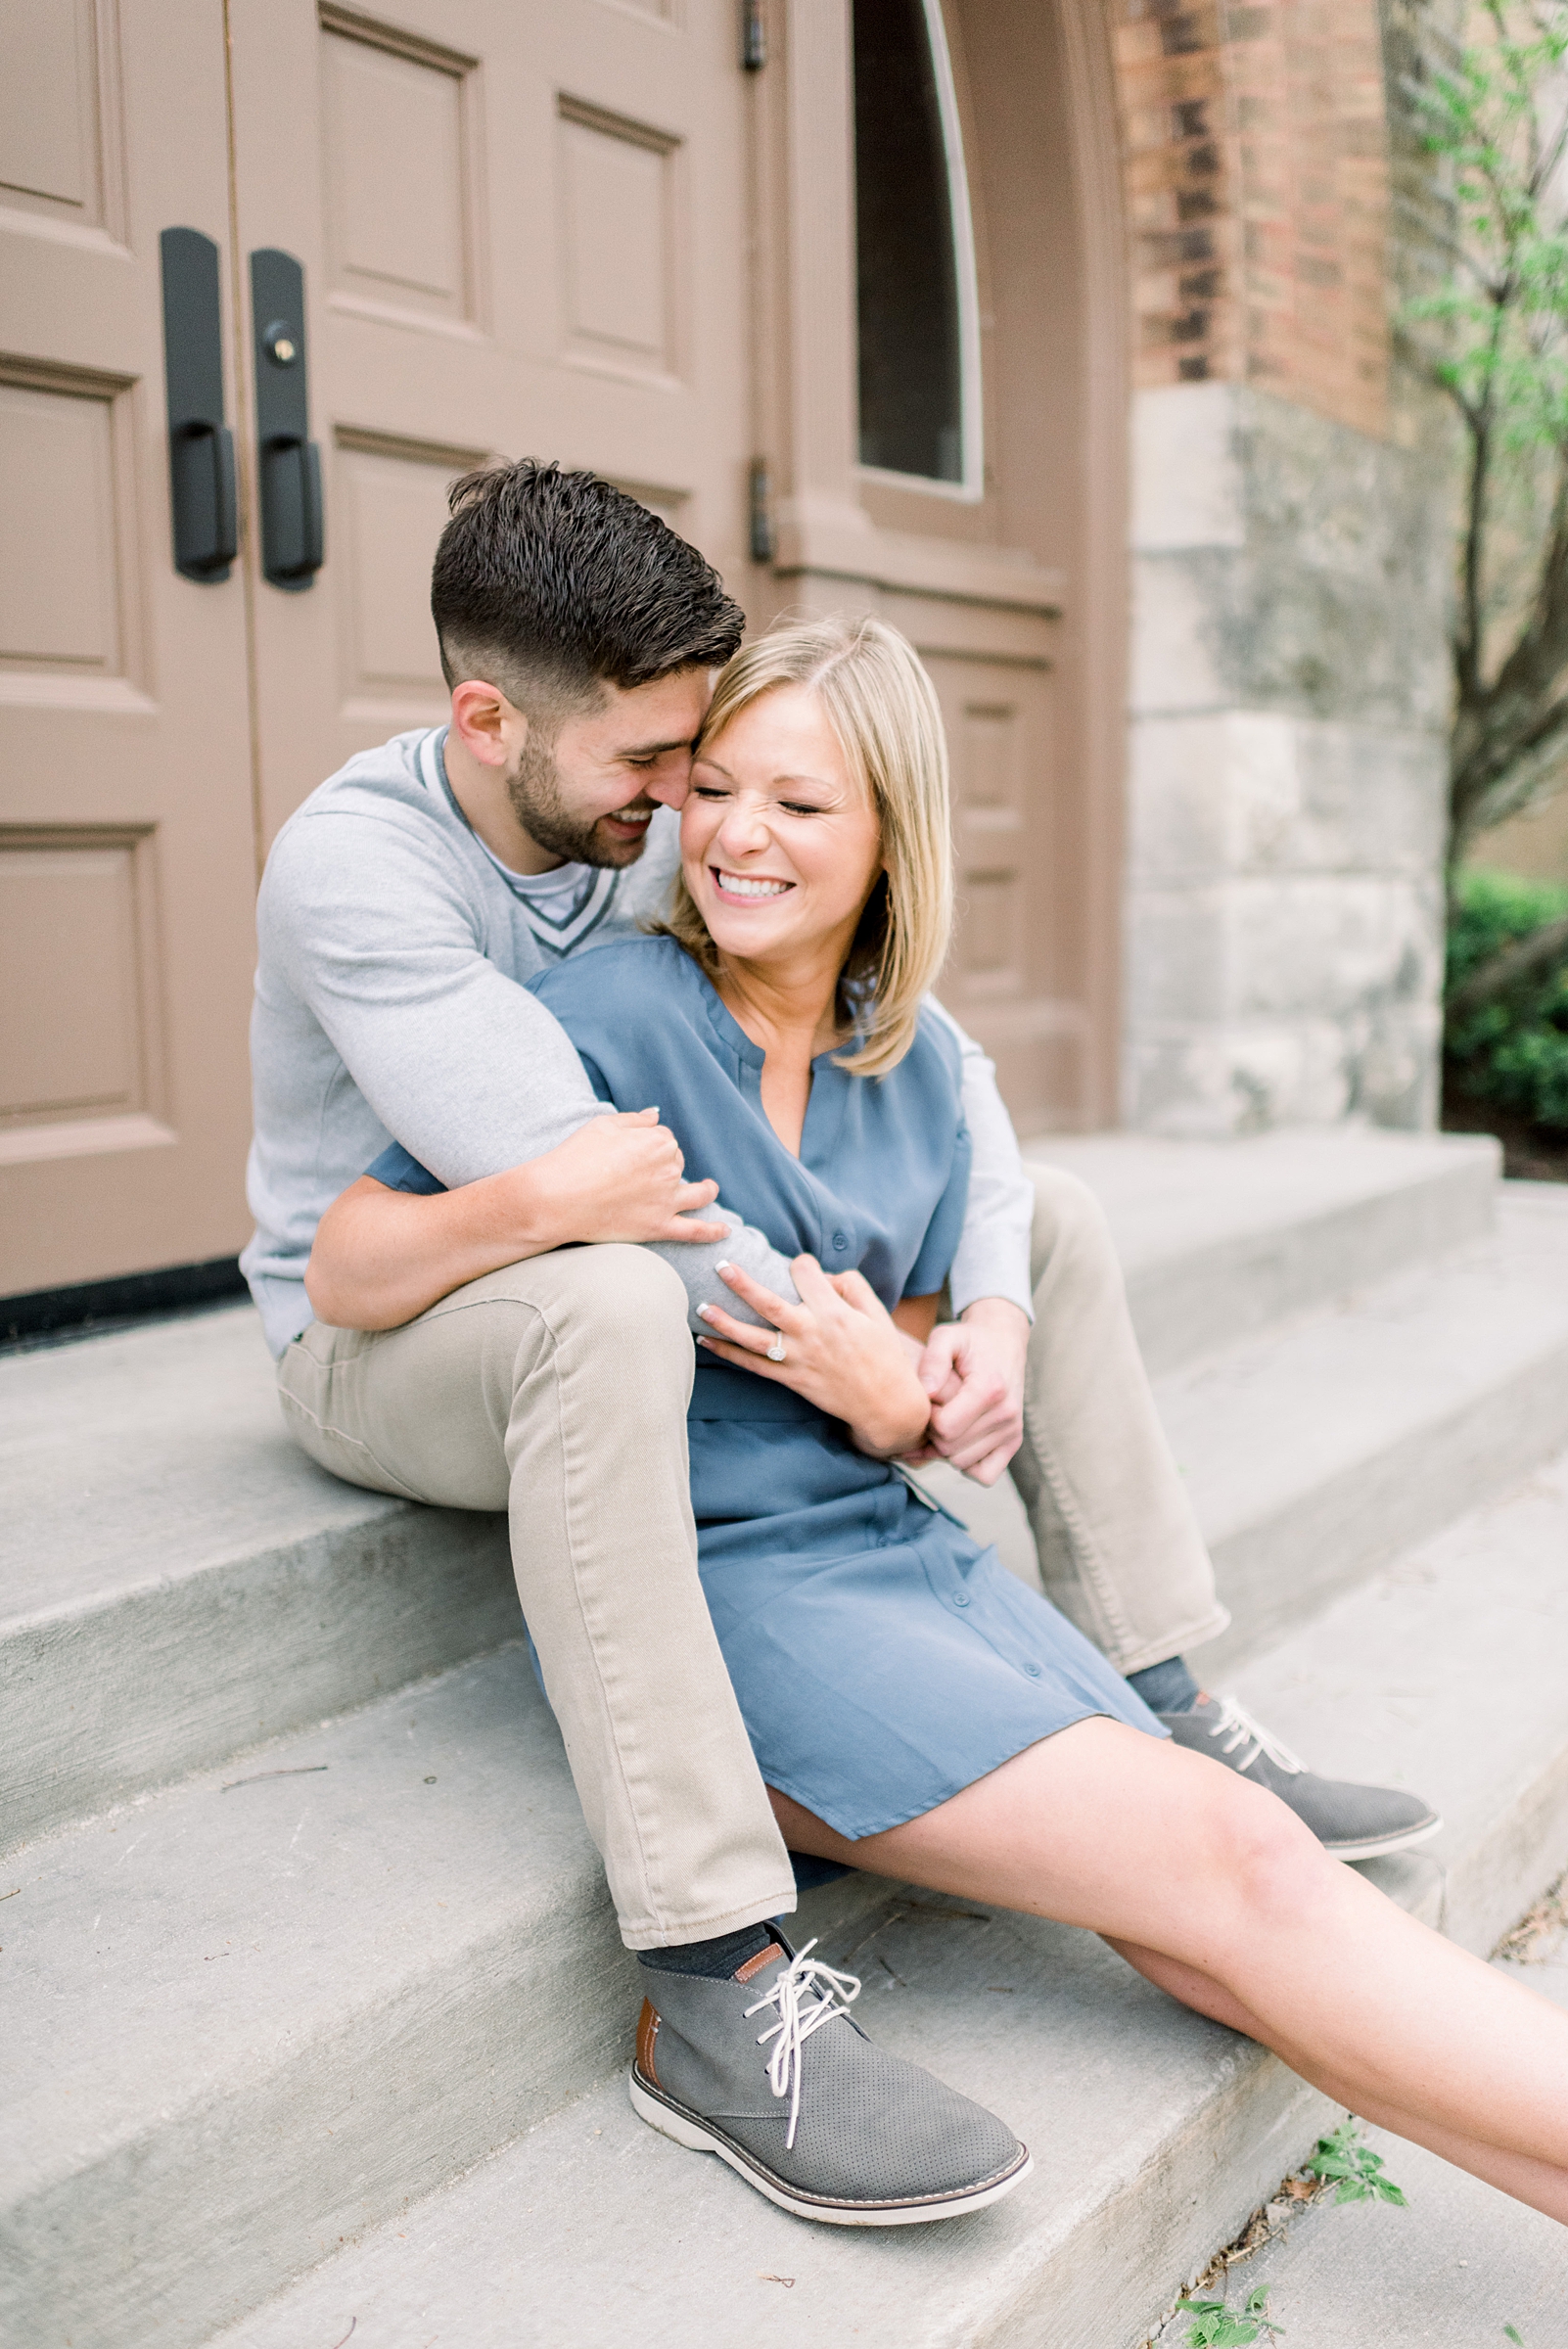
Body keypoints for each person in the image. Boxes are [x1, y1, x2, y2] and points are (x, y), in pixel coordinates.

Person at [246, 461, 1435, 2225]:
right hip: (398, 1315)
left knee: (1052, 1223)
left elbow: (909, 1031)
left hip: (602, 1251)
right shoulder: (365, 871)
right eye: (659, 768)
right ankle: (715, 1976)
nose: (685, 807)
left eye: (709, 765)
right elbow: (609, 1187)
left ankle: (1172, 1694)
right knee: (604, 1298)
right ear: (487, 722)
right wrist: (874, 1380)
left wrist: (998, 1297)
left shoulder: (623, 825)